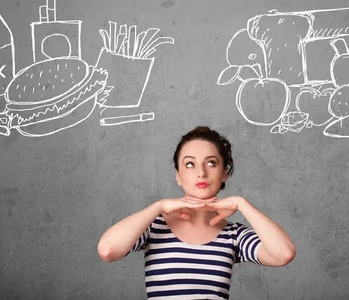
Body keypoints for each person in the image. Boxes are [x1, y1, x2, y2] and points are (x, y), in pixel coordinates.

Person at [97, 126, 296, 299]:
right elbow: (108, 250)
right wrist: (157, 207)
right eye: (190, 164)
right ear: (178, 175)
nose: (201, 172)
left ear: (224, 173)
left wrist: (242, 203)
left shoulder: (234, 235)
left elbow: (284, 254)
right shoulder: (154, 226)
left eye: (211, 163)